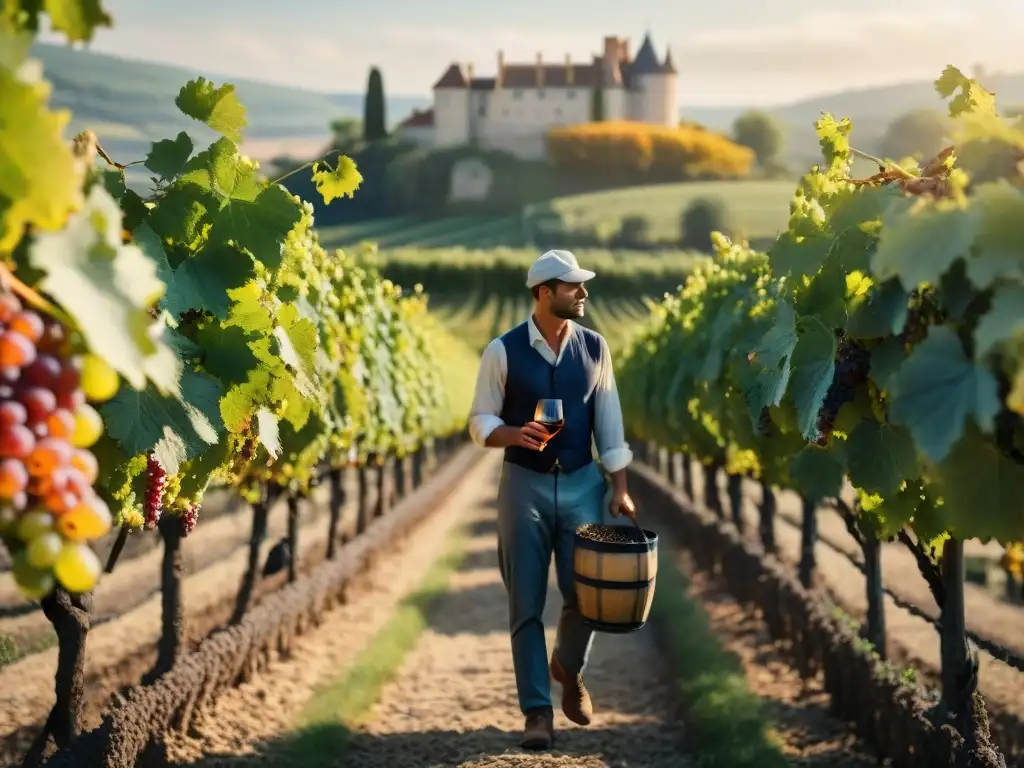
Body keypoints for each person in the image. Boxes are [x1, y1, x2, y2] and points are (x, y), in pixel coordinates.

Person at [468, 249, 636, 750]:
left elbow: (610, 422)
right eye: (573, 287)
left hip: (584, 482)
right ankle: (537, 712)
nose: (583, 294)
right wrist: (513, 434)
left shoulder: (595, 348)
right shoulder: (503, 350)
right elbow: (480, 421)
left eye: (582, 286)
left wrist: (621, 487)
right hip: (524, 485)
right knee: (526, 603)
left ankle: (569, 666)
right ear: (545, 293)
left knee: (586, 594)